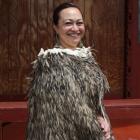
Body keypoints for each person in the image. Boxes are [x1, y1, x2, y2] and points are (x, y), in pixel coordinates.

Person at [26, 2, 115, 140]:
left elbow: (95, 102)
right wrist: (99, 128)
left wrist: (104, 119)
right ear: (56, 27)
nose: (75, 28)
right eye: (68, 23)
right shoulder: (50, 64)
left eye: (79, 23)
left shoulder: (85, 57)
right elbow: (73, 109)